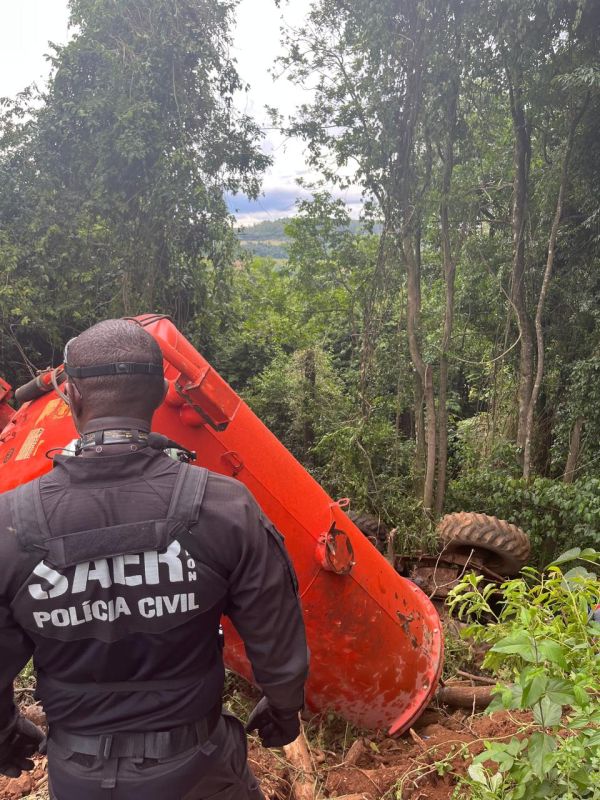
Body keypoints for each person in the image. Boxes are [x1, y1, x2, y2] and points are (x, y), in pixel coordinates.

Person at [0, 319, 309, 799]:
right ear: (160, 393)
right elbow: (275, 628)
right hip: (199, 771)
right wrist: (284, 705)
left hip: (77, 776)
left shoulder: (9, 523)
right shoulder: (224, 506)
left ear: (72, 397)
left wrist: (5, 733)